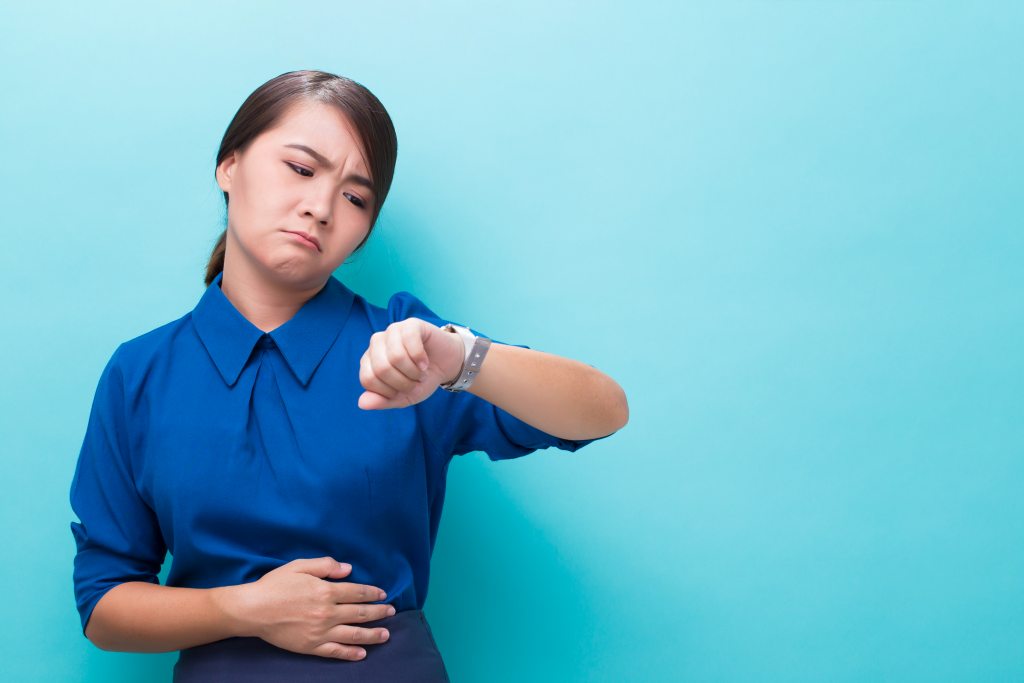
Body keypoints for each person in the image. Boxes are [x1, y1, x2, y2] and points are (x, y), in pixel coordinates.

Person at [69, 69, 629, 681]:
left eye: (356, 197)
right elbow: (104, 604)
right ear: (229, 167)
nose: (320, 207)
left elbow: (603, 412)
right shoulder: (141, 372)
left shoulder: (405, 348)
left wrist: (461, 359)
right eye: (301, 169)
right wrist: (243, 608)